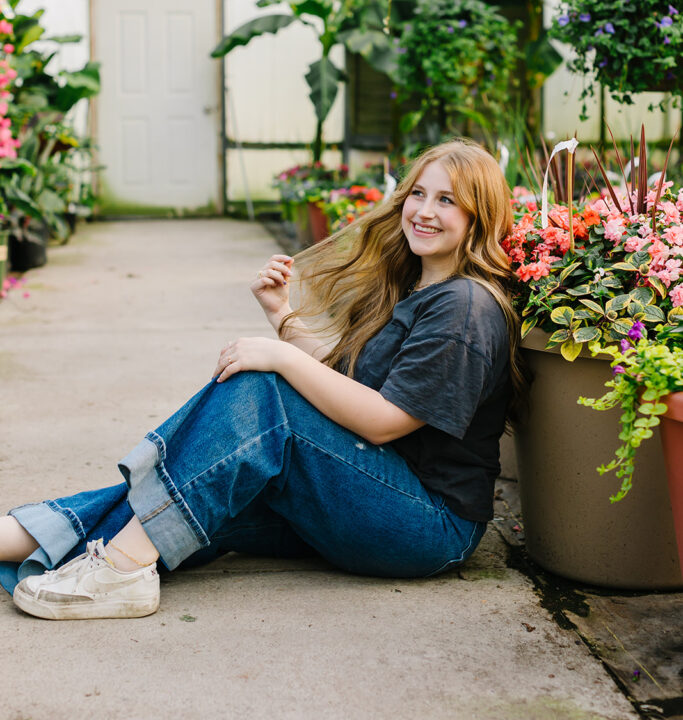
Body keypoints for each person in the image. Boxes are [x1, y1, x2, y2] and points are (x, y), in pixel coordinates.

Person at [0, 139, 526, 620]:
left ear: (480, 215)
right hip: (371, 491)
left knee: (261, 392)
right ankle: (21, 540)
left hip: (426, 524)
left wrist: (279, 357)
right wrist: (281, 316)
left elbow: (386, 421)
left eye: (447, 201)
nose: (425, 211)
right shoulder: (420, 289)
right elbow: (349, 377)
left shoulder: (465, 306)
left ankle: (120, 572)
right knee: (186, 491)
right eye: (418, 194)